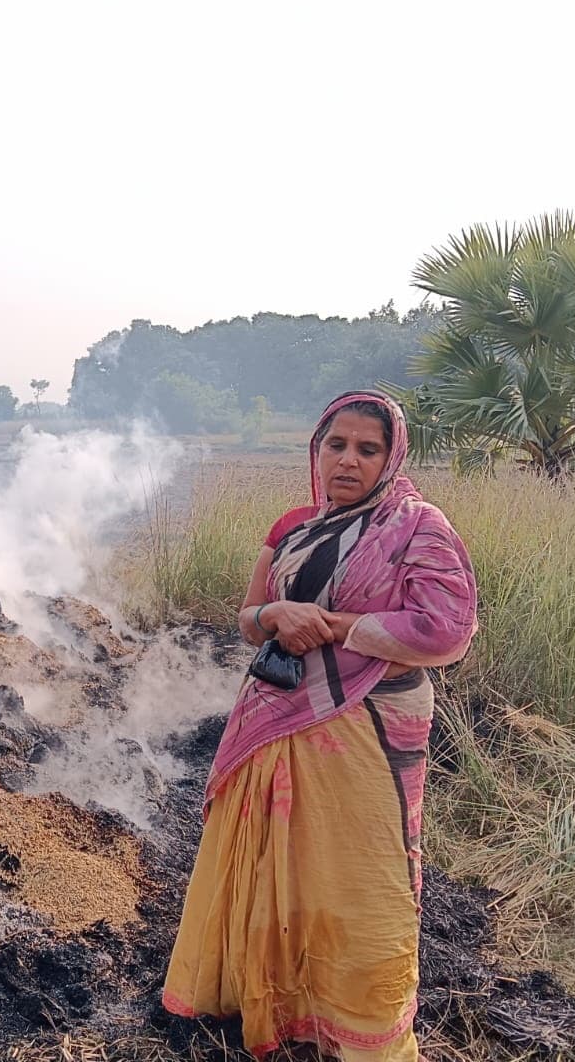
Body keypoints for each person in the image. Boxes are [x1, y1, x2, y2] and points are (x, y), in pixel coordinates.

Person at [162, 390, 478, 1061]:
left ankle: (362, 1025)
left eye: (368, 449)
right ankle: (279, 1003)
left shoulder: (419, 527)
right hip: (277, 716)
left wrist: (336, 627)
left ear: (392, 457)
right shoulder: (293, 528)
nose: (349, 460)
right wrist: (276, 617)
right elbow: (247, 618)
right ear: (316, 450)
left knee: (366, 884)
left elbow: (447, 629)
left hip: (372, 723)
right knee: (279, 865)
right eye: (337, 445)